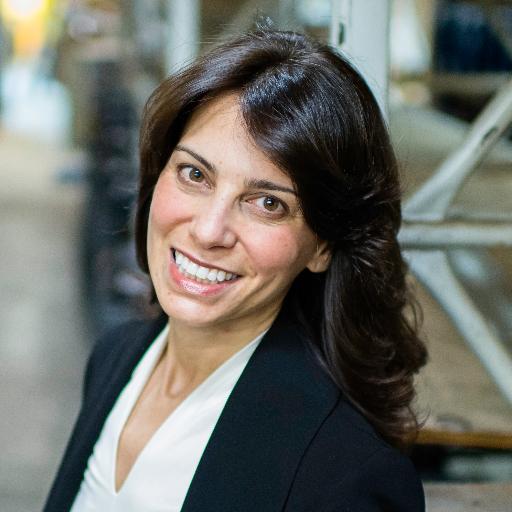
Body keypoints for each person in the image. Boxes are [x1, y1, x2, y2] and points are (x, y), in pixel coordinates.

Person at [45, 28, 428, 511]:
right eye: (195, 174)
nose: (209, 230)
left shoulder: (345, 474)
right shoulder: (115, 357)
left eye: (267, 203)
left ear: (323, 245)